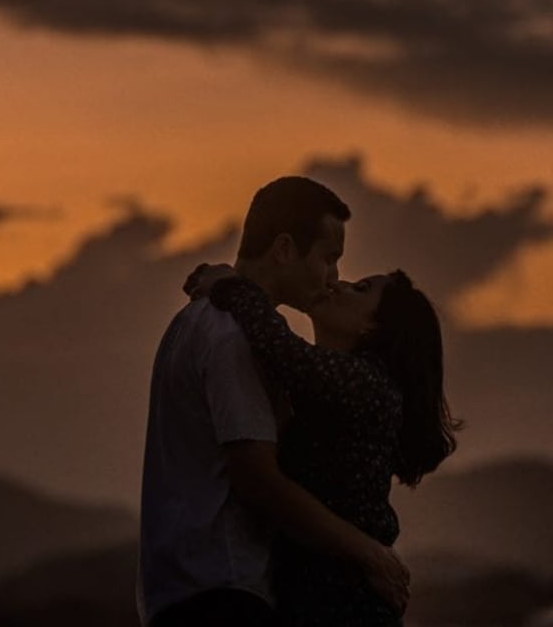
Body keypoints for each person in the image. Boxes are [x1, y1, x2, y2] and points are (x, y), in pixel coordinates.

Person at [137, 176, 410, 627]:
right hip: (221, 593)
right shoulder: (233, 336)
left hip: (182, 591)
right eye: (329, 258)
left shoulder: (193, 320)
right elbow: (256, 478)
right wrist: (369, 552)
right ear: (284, 250)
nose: (334, 277)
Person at [187, 266, 459, 626]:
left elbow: (282, 349)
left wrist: (231, 286)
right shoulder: (340, 390)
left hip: (345, 603)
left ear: (373, 328)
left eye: (360, 289)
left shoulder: (368, 385)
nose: (338, 283)